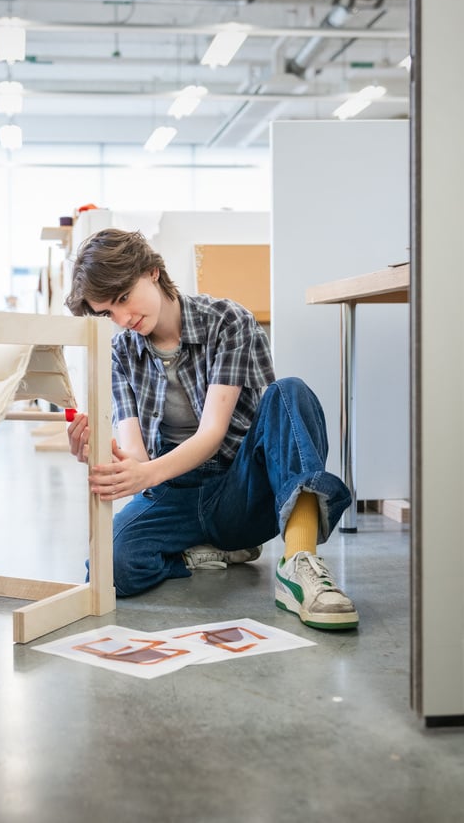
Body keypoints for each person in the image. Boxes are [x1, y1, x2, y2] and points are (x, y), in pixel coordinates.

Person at [64, 228, 358, 630]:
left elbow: (212, 433)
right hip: (174, 492)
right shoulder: (121, 352)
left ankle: (299, 563)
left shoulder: (228, 321)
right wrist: (97, 453)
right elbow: (136, 456)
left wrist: (144, 473)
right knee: (111, 569)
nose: (122, 318)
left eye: (122, 299)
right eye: (108, 313)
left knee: (290, 393)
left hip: (240, 489)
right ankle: (199, 552)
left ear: (152, 272)